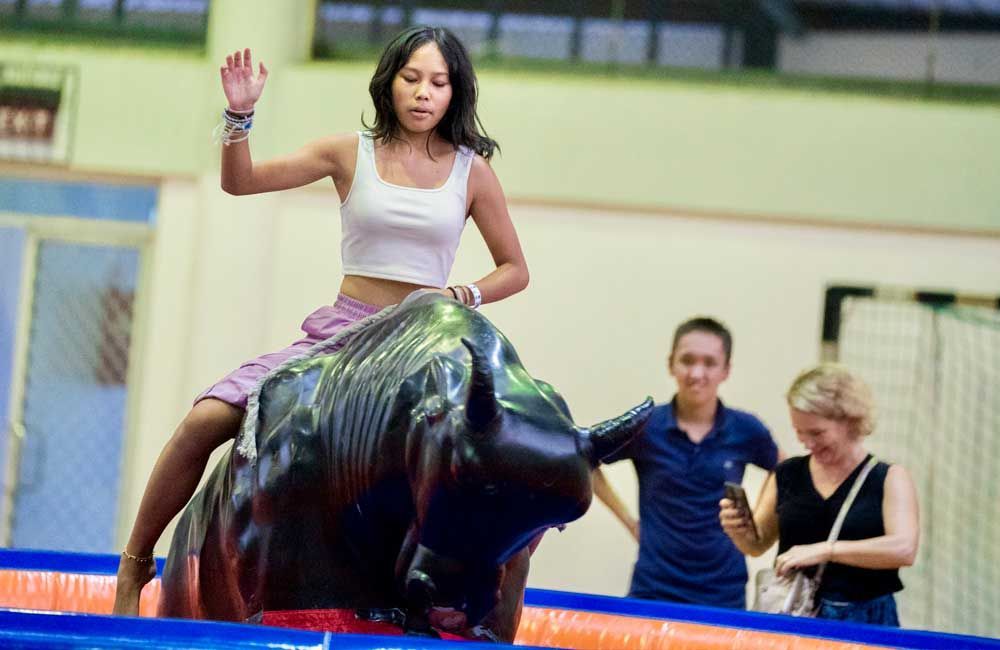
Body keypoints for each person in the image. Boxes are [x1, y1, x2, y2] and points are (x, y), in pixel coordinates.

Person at [113, 26, 529, 616]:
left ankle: (482, 609)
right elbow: (240, 181)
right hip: (343, 334)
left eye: (438, 83)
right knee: (205, 419)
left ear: (454, 93)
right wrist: (239, 115)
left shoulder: (472, 171)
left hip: (423, 343)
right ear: (390, 82)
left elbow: (515, 269)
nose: (423, 93)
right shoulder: (348, 152)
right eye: (412, 78)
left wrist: (461, 293)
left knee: (499, 458)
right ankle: (134, 565)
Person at [594, 317, 780, 609]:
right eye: (687, 360)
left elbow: (782, 470)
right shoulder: (646, 426)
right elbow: (587, 461)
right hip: (654, 587)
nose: (697, 373)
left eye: (709, 363)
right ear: (671, 364)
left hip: (723, 591)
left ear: (726, 370)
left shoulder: (747, 430)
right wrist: (630, 523)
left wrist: (756, 523)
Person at [720, 363, 919, 626]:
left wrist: (826, 551)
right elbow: (757, 545)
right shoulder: (788, 473)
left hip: (867, 619)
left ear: (850, 420)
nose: (806, 442)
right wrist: (739, 531)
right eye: (799, 431)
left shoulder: (889, 478)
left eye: (817, 432)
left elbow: (904, 549)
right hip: (797, 613)